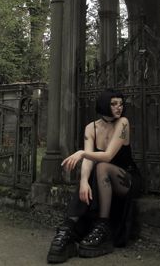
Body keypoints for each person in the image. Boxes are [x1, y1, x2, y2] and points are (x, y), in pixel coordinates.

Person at [47, 88, 142, 264]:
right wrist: (83, 182)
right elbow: (89, 161)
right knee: (92, 172)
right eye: (113, 104)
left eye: (121, 104)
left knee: (102, 167)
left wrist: (82, 153)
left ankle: (103, 226)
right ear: (104, 104)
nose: (118, 108)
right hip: (101, 182)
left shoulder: (123, 123)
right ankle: (67, 230)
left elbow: (107, 157)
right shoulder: (91, 128)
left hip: (125, 179)